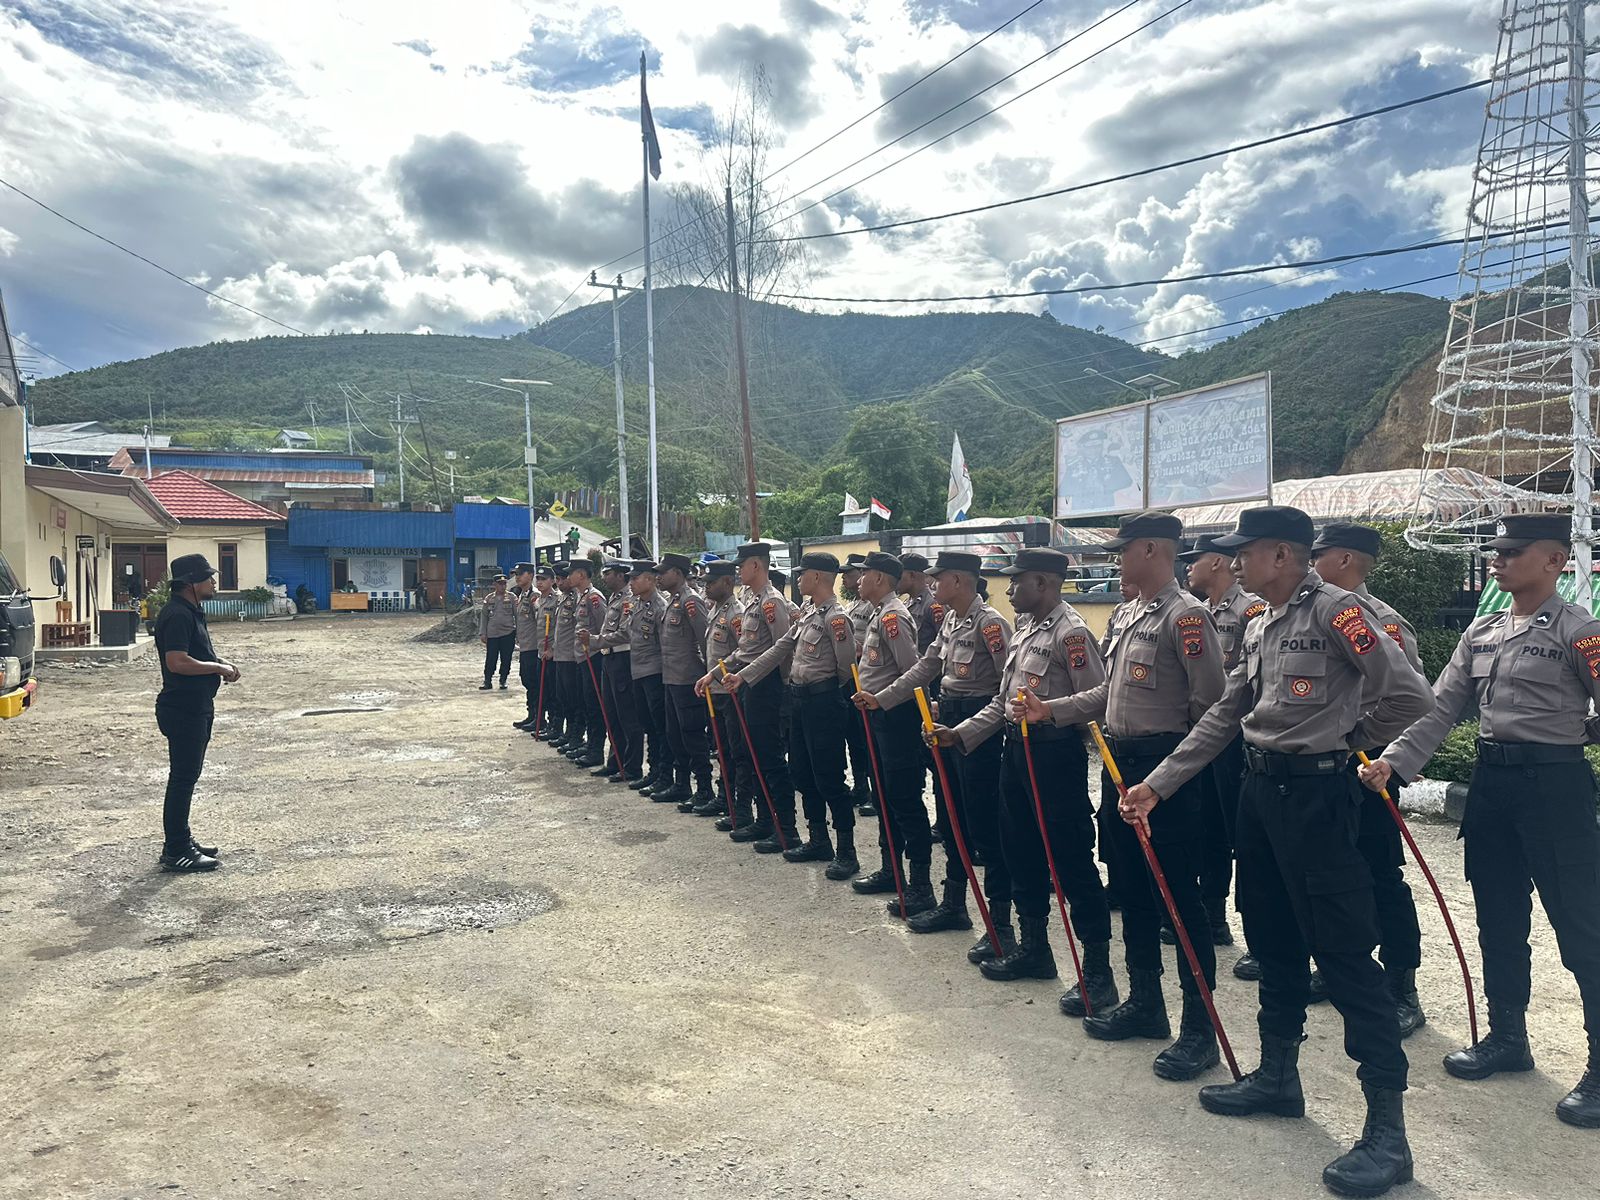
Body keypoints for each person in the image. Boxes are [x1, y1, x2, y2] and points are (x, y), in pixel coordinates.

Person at [1118, 505, 1433, 1198]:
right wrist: (1158, 785)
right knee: (1270, 937)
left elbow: (1411, 697)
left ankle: (1388, 1132)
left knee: (1344, 953)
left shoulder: (1340, 611)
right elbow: (1224, 715)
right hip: (1259, 796)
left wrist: (1344, 737)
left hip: (1318, 798)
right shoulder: (1262, 622)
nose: (1235, 563)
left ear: (1283, 555)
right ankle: (1278, 1077)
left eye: (1246, 552)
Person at [1360, 514, 1600, 1130]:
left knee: (1581, 926)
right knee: (1497, 916)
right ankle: (1507, 1037)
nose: (1499, 560)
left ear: (1554, 561)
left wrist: (1580, 734)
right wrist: (1395, 762)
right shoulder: (1482, 631)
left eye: (1513, 552)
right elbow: (1440, 707)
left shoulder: (1580, 631)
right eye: (1496, 551)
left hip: (1556, 787)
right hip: (1493, 787)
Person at [1016, 512, 1226, 1081]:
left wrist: (1166, 775)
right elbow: (1108, 692)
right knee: (1131, 889)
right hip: (1119, 766)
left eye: (1123, 549)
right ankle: (1146, 1003)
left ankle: (1200, 1028)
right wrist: (1050, 710)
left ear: (1152, 550)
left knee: (1178, 900)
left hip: (1167, 770)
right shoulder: (1130, 612)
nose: (1117, 558)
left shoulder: (1187, 617)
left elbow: (1211, 709)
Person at [927, 547, 1108, 979]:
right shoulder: (1025, 631)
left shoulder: (1071, 633)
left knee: (1071, 861)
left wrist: (1051, 710)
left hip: (1054, 757)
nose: (1008, 590)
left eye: (1016, 581)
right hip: (1015, 753)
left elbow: (1100, 695)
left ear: (1042, 583)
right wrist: (961, 733)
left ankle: (1097, 972)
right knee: (1020, 851)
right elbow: (1003, 702)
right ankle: (1034, 949)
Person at [1310, 523, 1427, 1035]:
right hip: (1320, 758)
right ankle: (1341, 965)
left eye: (1317, 555)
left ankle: (1401, 984)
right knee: (1330, 871)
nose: (1309, 565)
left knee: (1380, 872)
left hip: (1369, 758)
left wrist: (1389, 760)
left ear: (1344, 560)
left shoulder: (1384, 622)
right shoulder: (1306, 613)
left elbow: (1415, 700)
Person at [869, 551, 1011, 943]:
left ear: (959, 580)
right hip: (948, 722)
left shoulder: (991, 624)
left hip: (978, 730)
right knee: (951, 821)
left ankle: (1001, 924)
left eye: (940, 577)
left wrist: (965, 729)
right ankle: (954, 904)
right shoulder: (950, 620)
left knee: (984, 829)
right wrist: (883, 698)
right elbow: (925, 667)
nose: (933, 584)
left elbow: (1007, 689)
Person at [725, 552, 858, 878]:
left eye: (803, 573)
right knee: (802, 772)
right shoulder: (808, 613)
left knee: (829, 777)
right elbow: (779, 649)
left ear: (818, 577)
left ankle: (846, 851)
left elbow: (846, 668)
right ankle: (818, 840)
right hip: (799, 701)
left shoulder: (836, 618)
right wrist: (744, 676)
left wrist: (824, 690)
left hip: (823, 703)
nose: (798, 579)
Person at [1181, 533, 1268, 975]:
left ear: (1216, 562)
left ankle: (1262, 937)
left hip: (1239, 738)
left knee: (1244, 836)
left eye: (1194, 560)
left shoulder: (1250, 610)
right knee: (1209, 826)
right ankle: (1214, 913)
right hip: (1208, 732)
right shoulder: (1204, 611)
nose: (1188, 568)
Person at [850, 551, 936, 913]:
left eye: (864, 573)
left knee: (904, 800)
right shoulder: (878, 613)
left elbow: (913, 673)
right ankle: (891, 870)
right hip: (877, 716)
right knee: (884, 797)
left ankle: (921, 885)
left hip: (897, 719)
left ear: (880, 578)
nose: (858, 580)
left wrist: (919, 716)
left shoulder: (893, 617)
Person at [697, 541, 796, 852]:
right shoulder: (753, 600)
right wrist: (714, 673)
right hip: (747, 685)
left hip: (766, 687)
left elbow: (782, 649)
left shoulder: (772, 602)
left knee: (770, 758)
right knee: (755, 757)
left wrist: (775, 685)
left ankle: (786, 829)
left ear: (756, 565)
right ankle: (765, 820)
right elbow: (743, 651)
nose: (738, 569)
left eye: (742, 564)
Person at [153, 553, 241, 872]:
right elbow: (177, 662)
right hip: (183, 709)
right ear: (191, 582)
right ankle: (176, 850)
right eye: (208, 577)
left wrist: (220, 664)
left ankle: (181, 839)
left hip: (195, 705)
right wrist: (217, 668)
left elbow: (193, 654)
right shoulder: (177, 614)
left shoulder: (190, 611)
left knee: (186, 777)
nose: (214, 582)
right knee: (182, 778)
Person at [656, 553, 713, 807]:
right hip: (671, 678)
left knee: (692, 735)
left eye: (663, 572)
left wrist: (709, 675)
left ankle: (704, 789)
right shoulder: (673, 600)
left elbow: (705, 640)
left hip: (689, 678)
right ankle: (681, 785)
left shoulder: (691, 601)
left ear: (677, 573)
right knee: (674, 735)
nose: (659, 577)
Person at [588, 561, 642, 783]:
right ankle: (615, 762)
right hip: (609, 658)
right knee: (611, 714)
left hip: (622, 658)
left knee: (627, 715)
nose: (604, 577)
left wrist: (595, 641)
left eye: (608, 573)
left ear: (621, 575)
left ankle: (632, 766)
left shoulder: (629, 599)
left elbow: (625, 633)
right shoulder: (614, 597)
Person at [699, 561, 744, 822]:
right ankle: (724, 796)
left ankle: (736, 802)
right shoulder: (715, 610)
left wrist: (716, 674)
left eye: (712, 582)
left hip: (729, 691)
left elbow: (742, 653)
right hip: (714, 690)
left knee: (733, 750)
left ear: (727, 582)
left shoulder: (736, 613)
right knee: (720, 748)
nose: (707, 587)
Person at [621, 561, 669, 793]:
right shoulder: (636, 604)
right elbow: (628, 635)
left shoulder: (660, 606)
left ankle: (664, 774)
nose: (631, 582)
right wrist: (596, 641)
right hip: (638, 671)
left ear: (649, 580)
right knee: (647, 724)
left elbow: (666, 645)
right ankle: (654, 771)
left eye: (635, 578)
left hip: (655, 674)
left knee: (660, 727)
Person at [842, 553, 877, 815]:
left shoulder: (875, 607)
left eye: (850, 573)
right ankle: (861, 786)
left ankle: (875, 791)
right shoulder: (853, 605)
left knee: (867, 738)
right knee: (854, 736)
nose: (845, 577)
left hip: (867, 677)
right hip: (851, 676)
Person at [567, 559, 609, 769]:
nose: (569, 577)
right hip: (582, 658)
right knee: (586, 704)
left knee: (594, 706)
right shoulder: (581, 596)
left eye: (571, 573)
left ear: (581, 575)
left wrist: (594, 645)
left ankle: (596, 750)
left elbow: (604, 629)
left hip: (593, 657)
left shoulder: (594, 598)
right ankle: (591, 744)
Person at [547, 563, 581, 756]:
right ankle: (568, 733)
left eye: (561, 579)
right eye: (557, 580)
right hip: (560, 655)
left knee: (574, 700)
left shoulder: (577, 598)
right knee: (563, 697)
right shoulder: (563, 598)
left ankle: (576, 736)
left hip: (572, 657)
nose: (559, 583)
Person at [533, 564, 564, 740]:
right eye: (538, 579)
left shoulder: (557, 600)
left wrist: (552, 649)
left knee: (554, 693)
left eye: (543, 579)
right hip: (540, 651)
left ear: (552, 581)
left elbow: (559, 629)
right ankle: (547, 723)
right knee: (543, 691)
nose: (540, 582)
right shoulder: (539, 600)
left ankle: (555, 726)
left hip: (552, 653)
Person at [510, 563, 542, 733]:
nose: (517, 577)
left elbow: (540, 622)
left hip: (534, 647)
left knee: (534, 682)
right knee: (526, 680)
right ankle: (531, 714)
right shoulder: (522, 595)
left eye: (521, 574)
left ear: (530, 575)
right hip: (525, 646)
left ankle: (539, 717)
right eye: (516, 574)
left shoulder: (534, 596)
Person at [477, 573, 517, 690]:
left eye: (504, 583)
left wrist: (519, 633)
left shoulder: (512, 597)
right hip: (492, 634)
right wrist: (483, 633)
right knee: (491, 658)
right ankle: (487, 680)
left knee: (506, 658)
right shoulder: (489, 598)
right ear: (494, 584)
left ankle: (503, 680)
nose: (503, 586)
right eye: (500, 584)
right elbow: (484, 616)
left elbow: (517, 616)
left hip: (508, 633)